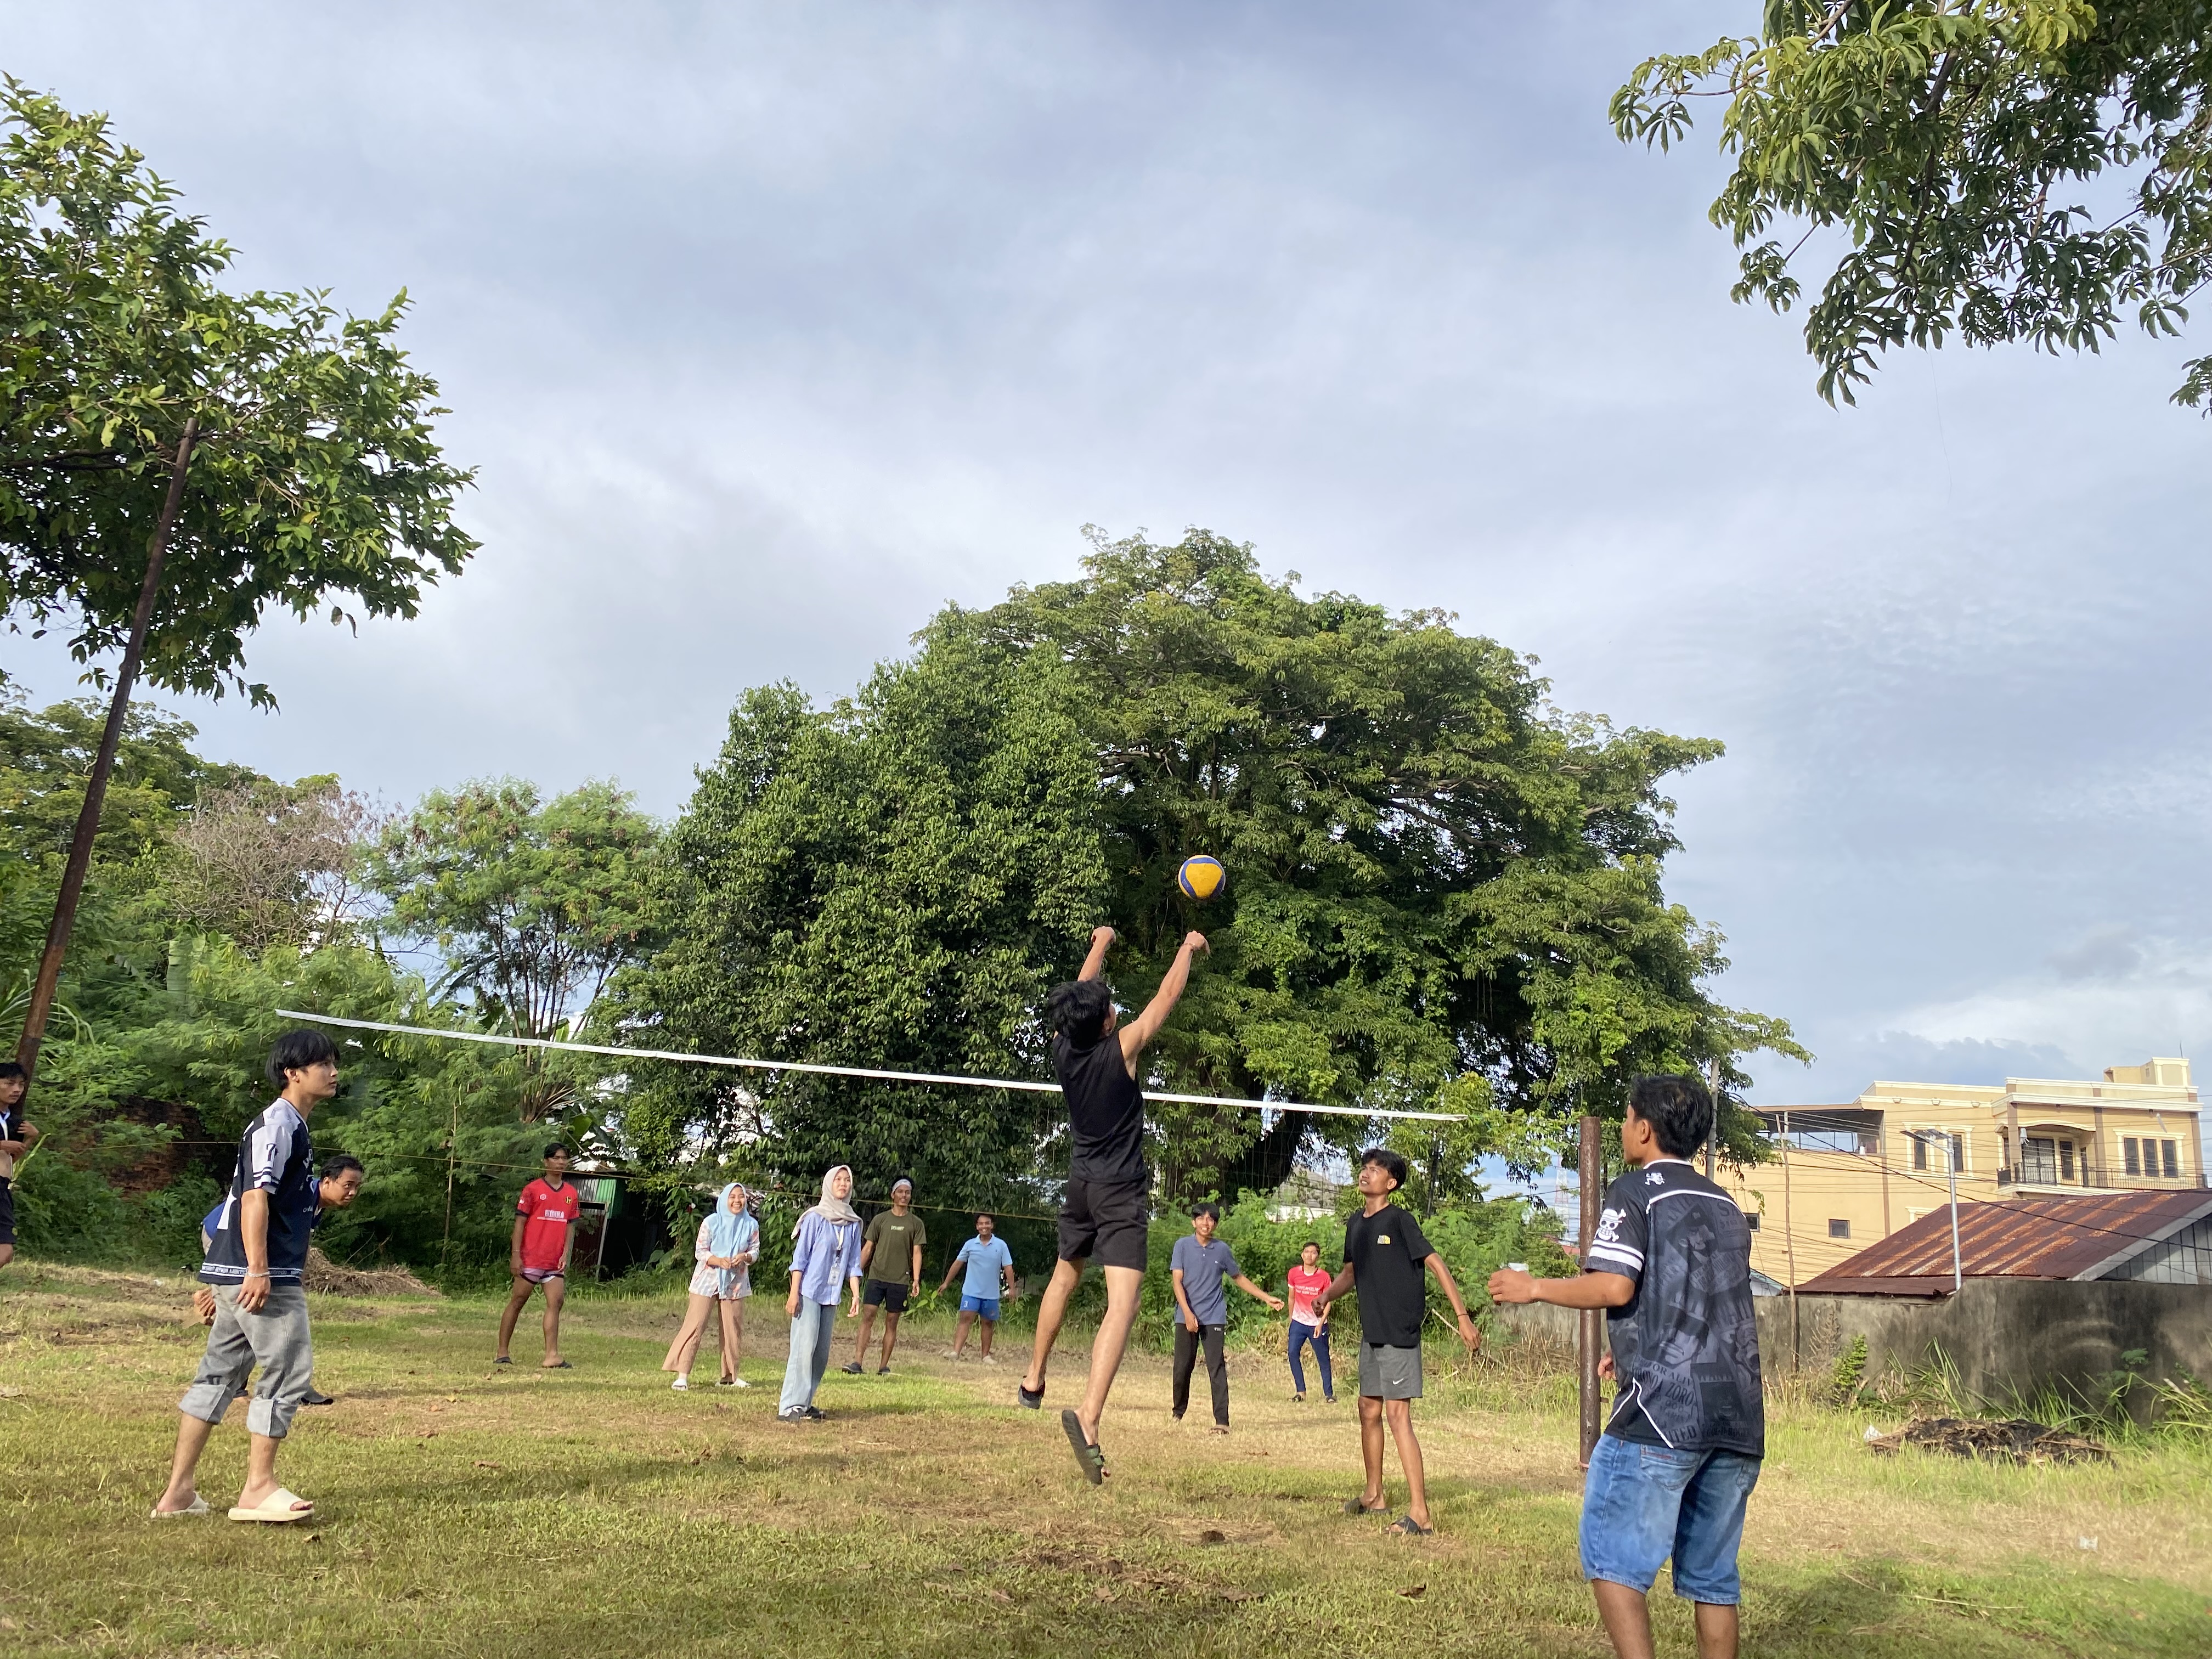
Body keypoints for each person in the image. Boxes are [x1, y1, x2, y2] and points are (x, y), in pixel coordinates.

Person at [1488, 1076, 1764, 1659]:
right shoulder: (1728, 1207)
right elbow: (1703, 1301)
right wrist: (1634, 1346)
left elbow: (1615, 1285)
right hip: (1738, 1418)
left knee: (1611, 1557)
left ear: (1644, 1128)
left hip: (1664, 1416)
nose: (1621, 1126)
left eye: (1625, 1116)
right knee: (1714, 1579)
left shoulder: (1635, 1191)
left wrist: (1533, 1286)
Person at [1021, 923, 1209, 1483]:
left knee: (1063, 1279)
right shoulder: (1120, 1050)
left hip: (1079, 1184)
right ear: (1106, 1022)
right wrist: (1187, 948)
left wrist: (1100, 944)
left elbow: (1080, 995)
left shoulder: (1064, 1050)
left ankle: (1034, 1377)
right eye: (1109, 1009)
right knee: (1121, 1305)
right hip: (1120, 1190)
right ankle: (1091, 1418)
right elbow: (1164, 1000)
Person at [152, 1029, 338, 1522]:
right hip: (262, 1272)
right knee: (287, 1369)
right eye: (322, 1063)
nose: (334, 1071)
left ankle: (178, 1494)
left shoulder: (290, 1124)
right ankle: (258, 1488)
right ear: (291, 1072)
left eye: (333, 1063)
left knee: (218, 1375)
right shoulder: (278, 1124)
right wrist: (258, 1270)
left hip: (236, 1269)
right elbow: (255, 1196)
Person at [1311, 1147, 1481, 1537]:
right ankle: (1374, 1494)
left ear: (1392, 1183)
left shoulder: (1401, 1220)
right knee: (1367, 1407)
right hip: (1372, 1332)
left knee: (1397, 1416)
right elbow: (1350, 1273)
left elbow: (1436, 1263)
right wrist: (1327, 1296)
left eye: (1375, 1170)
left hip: (1400, 1333)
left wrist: (1462, 1317)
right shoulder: (1356, 1223)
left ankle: (1420, 1513)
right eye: (1364, 1168)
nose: (1366, 1174)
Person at [198, 1154, 366, 1407]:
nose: (352, 1192)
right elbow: (257, 1216)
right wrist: (246, 1275)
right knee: (254, 1310)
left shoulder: (316, 1205)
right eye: (348, 1185)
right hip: (225, 1235)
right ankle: (254, 1389)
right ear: (327, 1181)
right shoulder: (301, 1194)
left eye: (356, 1187)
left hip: (248, 1247)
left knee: (249, 1307)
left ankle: (253, 1386)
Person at [1167, 1201, 1282, 1432]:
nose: (1205, 1223)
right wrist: (1188, 1314)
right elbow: (1177, 1282)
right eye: (1201, 1218)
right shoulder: (1182, 1246)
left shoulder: (1222, 1250)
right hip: (1186, 1315)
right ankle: (1178, 1412)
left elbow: (1238, 1277)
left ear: (1216, 1224)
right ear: (1194, 1222)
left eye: (1211, 1219)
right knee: (1182, 1367)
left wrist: (1266, 1297)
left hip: (1214, 1316)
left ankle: (1222, 1421)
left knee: (1216, 1367)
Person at [779, 1165, 864, 1423]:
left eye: (847, 1179)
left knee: (821, 1353)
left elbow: (853, 1262)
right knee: (803, 1349)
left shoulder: (853, 1223)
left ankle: (805, 1404)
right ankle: (789, 1405)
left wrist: (856, 1295)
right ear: (828, 1184)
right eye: (838, 1179)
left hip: (832, 1294)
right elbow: (800, 1259)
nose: (843, 1183)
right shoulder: (815, 1218)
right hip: (809, 1292)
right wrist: (794, 1294)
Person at [664, 1182, 757, 1390]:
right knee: (695, 1325)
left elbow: (755, 1251)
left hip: (735, 1284)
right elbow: (700, 1252)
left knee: (733, 1329)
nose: (737, 1201)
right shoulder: (711, 1222)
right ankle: (682, 1376)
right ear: (724, 1199)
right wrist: (718, 1260)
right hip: (706, 1281)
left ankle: (730, 1377)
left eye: (741, 1197)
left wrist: (745, 1257)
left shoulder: (751, 1225)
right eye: (732, 1197)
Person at [496, 1145, 583, 1369]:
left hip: (554, 1261)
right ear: (546, 1162)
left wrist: (566, 1253)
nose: (561, 1162)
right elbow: (520, 1224)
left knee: (556, 1302)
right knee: (518, 1301)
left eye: (564, 1158)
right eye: (556, 1158)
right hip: (531, 1258)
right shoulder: (533, 1190)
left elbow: (570, 1227)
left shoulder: (571, 1194)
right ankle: (502, 1351)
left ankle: (552, 1355)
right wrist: (516, 1256)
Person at [844, 1177, 925, 1376]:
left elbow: (917, 1252)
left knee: (892, 1322)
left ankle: (883, 1367)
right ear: (893, 1195)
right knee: (868, 1316)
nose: (904, 1196)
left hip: (899, 1280)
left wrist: (915, 1279)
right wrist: (856, 1272)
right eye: (900, 1192)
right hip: (877, 1277)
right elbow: (868, 1248)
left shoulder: (916, 1223)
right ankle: (857, 1362)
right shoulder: (881, 1220)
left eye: (907, 1192)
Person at [939, 1213, 1017, 1362]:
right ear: (977, 1226)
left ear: (992, 1225)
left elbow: (1008, 1268)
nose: (984, 1227)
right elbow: (958, 1264)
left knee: (988, 1323)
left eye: (987, 1223)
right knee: (965, 1319)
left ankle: (985, 1355)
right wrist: (946, 1283)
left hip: (991, 1293)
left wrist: (1012, 1289)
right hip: (971, 1291)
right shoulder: (970, 1245)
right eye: (981, 1224)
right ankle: (956, 1352)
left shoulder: (1001, 1245)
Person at [0, 1060, 41, 1270]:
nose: (16, 1090)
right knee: (5, 1249)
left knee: (6, 1252)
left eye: (21, 1085)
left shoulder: (12, 1121)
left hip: (3, 1185)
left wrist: (30, 1140)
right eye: (9, 1083)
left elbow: (9, 1161)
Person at [1285, 1239, 1335, 1403]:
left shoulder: (1324, 1277)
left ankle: (1329, 1394)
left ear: (1318, 1256)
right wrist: (1292, 1319)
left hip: (1317, 1324)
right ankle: (1301, 1391)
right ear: (1302, 1255)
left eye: (1313, 1252)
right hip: (1298, 1322)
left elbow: (1328, 1302)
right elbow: (1291, 1297)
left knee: (1323, 1358)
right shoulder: (1294, 1273)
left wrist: (1321, 1323)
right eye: (1307, 1252)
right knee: (1292, 1353)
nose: (1309, 1255)